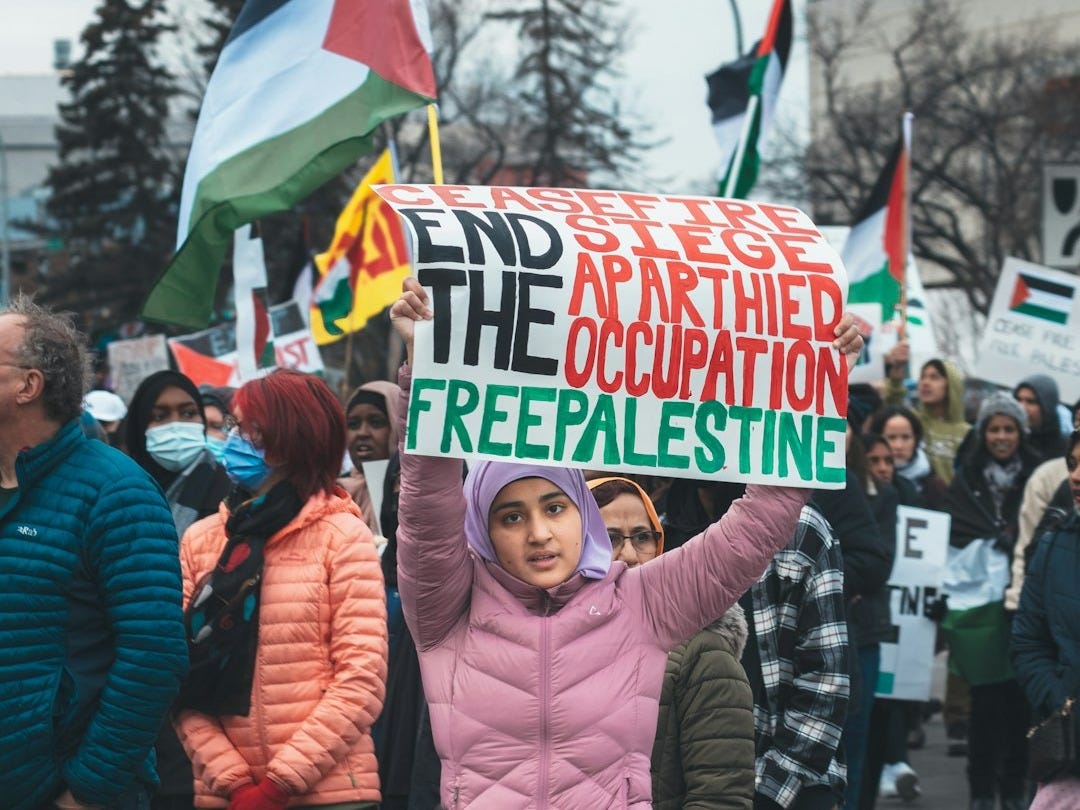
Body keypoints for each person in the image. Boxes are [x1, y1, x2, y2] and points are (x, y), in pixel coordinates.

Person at [389, 277, 864, 807]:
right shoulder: (446, 612)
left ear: (583, 513)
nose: (539, 532)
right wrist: (425, 372)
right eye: (511, 516)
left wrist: (817, 389)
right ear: (481, 530)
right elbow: (426, 510)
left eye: (555, 508)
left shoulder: (637, 604)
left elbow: (751, 533)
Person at [0, 296, 188, 809]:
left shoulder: (117, 492)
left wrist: (88, 791)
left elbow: (154, 657)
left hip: (67, 790)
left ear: (28, 386)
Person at [174, 370, 388, 809]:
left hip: (328, 793)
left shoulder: (341, 536)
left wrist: (279, 785)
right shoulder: (201, 540)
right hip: (226, 795)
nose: (232, 439)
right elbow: (180, 677)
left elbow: (361, 679)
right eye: (231, 426)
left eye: (246, 429)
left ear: (292, 437)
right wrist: (233, 782)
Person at [589, 476, 755, 810]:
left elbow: (719, 798)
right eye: (609, 538)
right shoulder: (543, 647)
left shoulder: (703, 656)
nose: (629, 555)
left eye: (642, 537)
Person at [123, 370, 233, 810]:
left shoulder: (228, 493)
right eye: (161, 415)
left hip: (205, 688)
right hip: (132, 687)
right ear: (139, 425)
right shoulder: (118, 490)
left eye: (188, 413)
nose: (176, 425)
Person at [943, 391, 1041, 810]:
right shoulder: (966, 479)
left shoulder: (1038, 476)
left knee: (1020, 702)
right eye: (994, 428)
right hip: (979, 605)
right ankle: (981, 791)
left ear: (1021, 432)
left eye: (1009, 428)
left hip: (1024, 604)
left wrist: (1015, 540)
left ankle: (1015, 789)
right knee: (984, 701)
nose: (1002, 436)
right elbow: (951, 531)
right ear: (983, 433)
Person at [1011, 430, 1080, 810]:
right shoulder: (1054, 545)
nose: (1076, 476)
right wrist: (1062, 705)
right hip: (1070, 758)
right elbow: (1028, 643)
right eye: (1072, 463)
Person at [339, 380, 401, 536]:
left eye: (376, 423)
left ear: (398, 427)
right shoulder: (335, 493)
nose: (362, 433)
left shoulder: (414, 493)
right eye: (353, 425)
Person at [1014, 374, 1065, 462]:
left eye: (1031, 402)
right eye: (1018, 400)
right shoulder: (1007, 441)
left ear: (1047, 407)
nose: (1021, 407)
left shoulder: (1064, 451)